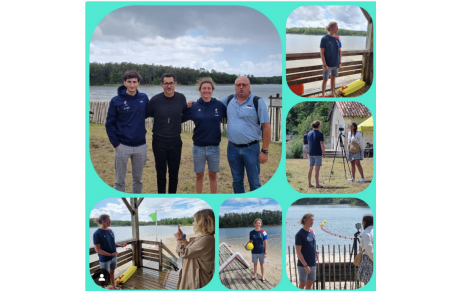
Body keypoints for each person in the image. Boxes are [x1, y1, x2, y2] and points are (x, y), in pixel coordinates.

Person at [221, 76, 271, 193]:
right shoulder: (228, 100)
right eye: (238, 85)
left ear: (249, 86)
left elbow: (266, 127)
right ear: (235, 87)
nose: (241, 87)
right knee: (237, 181)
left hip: (252, 149)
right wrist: (194, 103)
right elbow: (211, 105)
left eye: (244, 85)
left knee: (254, 183)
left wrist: (265, 151)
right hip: (232, 148)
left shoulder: (257, 102)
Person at [105, 70, 149, 193]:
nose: (132, 85)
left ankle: (136, 201)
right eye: (129, 82)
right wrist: (116, 144)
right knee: (119, 181)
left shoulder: (144, 98)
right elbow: (109, 124)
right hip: (122, 145)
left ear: (138, 83)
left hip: (140, 145)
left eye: (134, 82)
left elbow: (154, 111)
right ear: (124, 82)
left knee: (138, 179)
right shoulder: (116, 100)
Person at [181, 78, 227, 193]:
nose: (206, 90)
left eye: (209, 88)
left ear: (212, 90)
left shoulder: (219, 105)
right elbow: (180, 118)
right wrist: (185, 107)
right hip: (198, 148)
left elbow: (231, 117)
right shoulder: (194, 106)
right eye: (204, 88)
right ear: (200, 90)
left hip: (214, 148)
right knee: (199, 176)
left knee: (213, 176)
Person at [147, 73, 188, 193]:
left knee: (174, 173)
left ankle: (172, 194)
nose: (169, 86)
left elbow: (184, 112)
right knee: (161, 173)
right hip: (159, 141)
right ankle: (161, 194)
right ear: (161, 85)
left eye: (171, 83)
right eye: (166, 83)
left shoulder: (181, 98)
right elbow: (144, 114)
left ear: (175, 84)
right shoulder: (155, 100)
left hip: (175, 141)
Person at [174, 209, 215, 289]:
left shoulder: (206, 239)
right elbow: (194, 249)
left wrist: (178, 240)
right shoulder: (204, 236)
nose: (193, 224)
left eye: (195, 222)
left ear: (203, 223)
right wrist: (183, 239)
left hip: (197, 279)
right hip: (192, 274)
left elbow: (183, 253)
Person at [93, 214, 127, 290]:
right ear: (103, 221)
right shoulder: (97, 233)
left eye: (110, 220)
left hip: (113, 256)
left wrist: (121, 246)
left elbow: (112, 243)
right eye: (108, 220)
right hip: (104, 258)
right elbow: (97, 250)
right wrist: (110, 254)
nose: (110, 222)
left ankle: (114, 286)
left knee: (112, 272)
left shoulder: (110, 231)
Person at [295, 213, 318, 290]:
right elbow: (298, 252)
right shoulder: (299, 234)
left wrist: (316, 253)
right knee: (302, 284)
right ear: (305, 220)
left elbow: (313, 245)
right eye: (310, 220)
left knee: (309, 285)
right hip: (303, 264)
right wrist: (305, 265)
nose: (312, 222)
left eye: (313, 220)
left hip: (313, 263)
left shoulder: (312, 233)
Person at [320, 22, 342, 97]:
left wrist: (340, 63)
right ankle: (323, 95)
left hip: (336, 64)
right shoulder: (324, 39)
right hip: (327, 65)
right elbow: (322, 53)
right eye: (336, 27)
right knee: (325, 80)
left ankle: (332, 93)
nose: (337, 29)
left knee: (333, 78)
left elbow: (340, 52)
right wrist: (325, 65)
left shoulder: (337, 39)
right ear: (331, 28)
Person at [247, 218, 268, 282]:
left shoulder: (263, 232)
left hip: (261, 251)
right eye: (256, 223)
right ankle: (255, 275)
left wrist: (265, 253)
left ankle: (263, 276)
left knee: (262, 264)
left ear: (261, 224)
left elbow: (265, 243)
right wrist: (246, 246)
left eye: (259, 223)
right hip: (254, 251)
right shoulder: (251, 232)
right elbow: (250, 241)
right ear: (254, 224)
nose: (257, 224)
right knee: (255, 264)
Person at [307, 120, 326, 188]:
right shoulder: (320, 134)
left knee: (310, 168)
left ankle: (309, 183)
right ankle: (317, 184)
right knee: (317, 169)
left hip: (311, 152)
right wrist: (324, 153)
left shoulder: (309, 133)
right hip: (317, 153)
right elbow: (322, 144)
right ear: (318, 126)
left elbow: (309, 143)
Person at [357, 214, 373, 285]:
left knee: (367, 282)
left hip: (368, 259)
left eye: (362, 222)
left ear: (364, 222)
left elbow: (368, 248)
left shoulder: (366, 233)